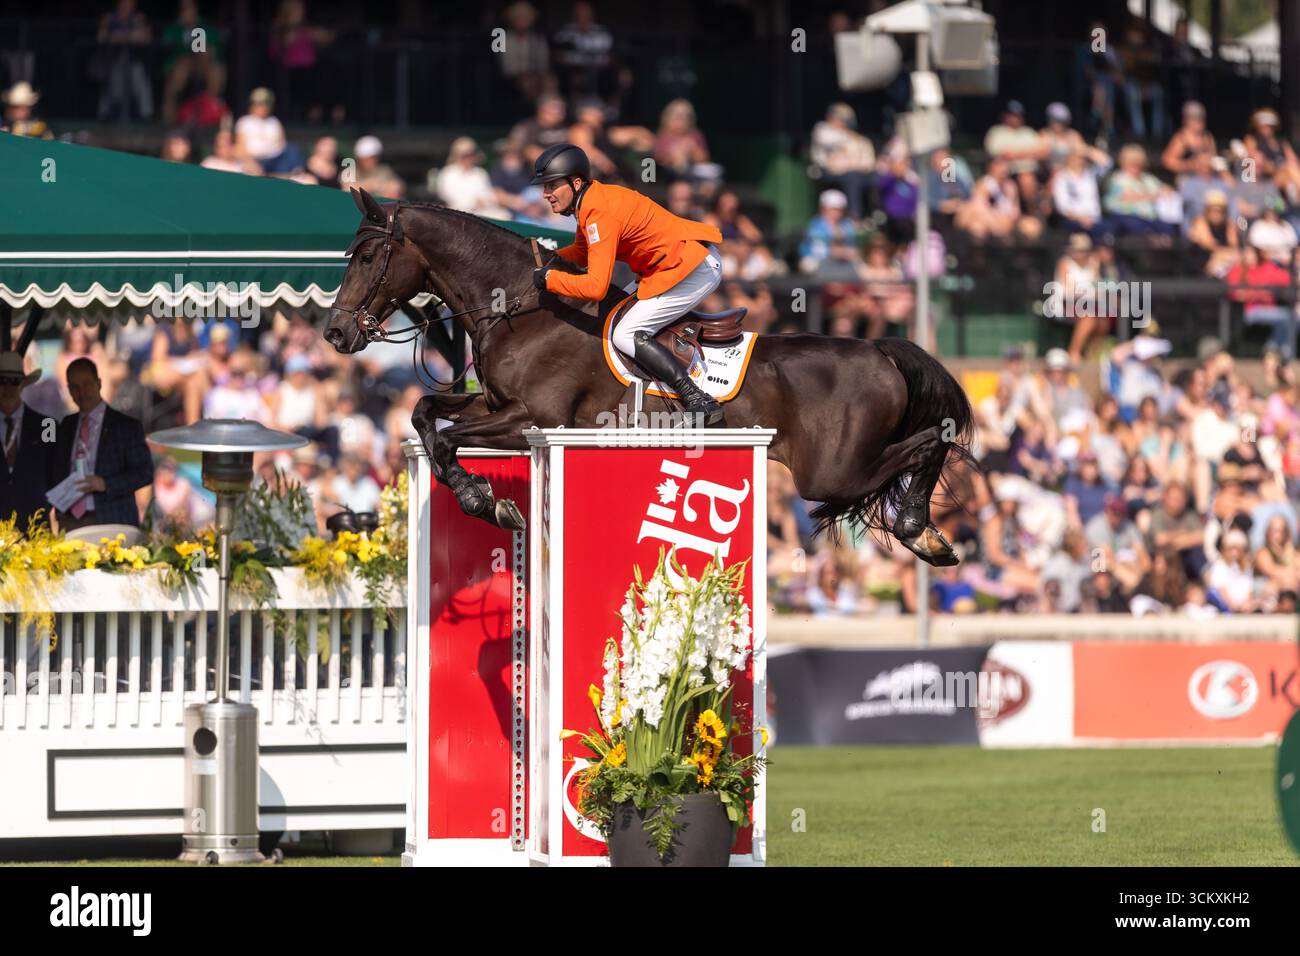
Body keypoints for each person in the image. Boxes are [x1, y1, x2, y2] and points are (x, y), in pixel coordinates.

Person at [528, 142, 725, 425]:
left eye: (551, 186)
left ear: (576, 182)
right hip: (670, 268)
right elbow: (582, 252)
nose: (545, 194)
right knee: (613, 316)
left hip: (693, 269)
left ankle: (696, 398)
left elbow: (595, 286)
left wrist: (549, 278)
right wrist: (546, 258)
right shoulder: (589, 203)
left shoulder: (598, 212)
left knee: (625, 334)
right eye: (544, 187)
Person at [48, 358, 154, 531]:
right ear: (68, 390)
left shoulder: (126, 426)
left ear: (99, 383)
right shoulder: (65, 426)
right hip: (70, 523)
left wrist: (105, 484)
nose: (82, 392)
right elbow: (54, 470)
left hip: (112, 522)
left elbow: (145, 473)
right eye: (74, 387)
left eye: (87, 384)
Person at [0, 352, 60, 533]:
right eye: (2, 380)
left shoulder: (47, 425)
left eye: (14, 381)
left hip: (36, 528)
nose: (8, 388)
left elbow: (56, 473)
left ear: (22, 385)